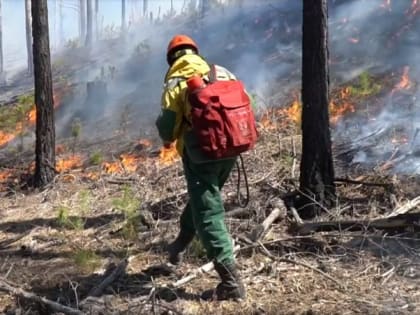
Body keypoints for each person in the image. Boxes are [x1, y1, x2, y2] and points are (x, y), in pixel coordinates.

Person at [155, 34, 246, 300]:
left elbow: (168, 130)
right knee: (203, 197)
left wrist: (167, 136)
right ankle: (179, 246)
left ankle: (231, 283)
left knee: (208, 213)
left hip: (201, 154)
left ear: (172, 58)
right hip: (232, 148)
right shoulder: (221, 71)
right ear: (195, 52)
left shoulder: (175, 83)